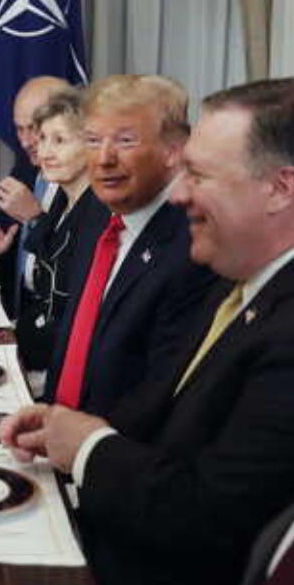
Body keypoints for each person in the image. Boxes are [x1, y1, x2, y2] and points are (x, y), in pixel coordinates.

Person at [1, 77, 294, 585]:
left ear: (281, 188)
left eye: (199, 176)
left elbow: (212, 517)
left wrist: (90, 447)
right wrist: (59, 429)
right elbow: (163, 410)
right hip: (118, 548)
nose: (179, 195)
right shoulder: (241, 284)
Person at [41, 74, 215, 415]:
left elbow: (162, 391)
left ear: (174, 151)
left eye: (125, 141)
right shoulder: (96, 208)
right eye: (92, 140)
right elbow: (74, 335)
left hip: (117, 451)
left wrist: (85, 447)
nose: (104, 159)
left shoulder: (196, 244)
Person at [0, 89, 99, 381]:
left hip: (54, 370)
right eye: (43, 139)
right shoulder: (61, 200)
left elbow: (66, 307)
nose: (43, 152)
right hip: (30, 347)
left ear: (91, 144)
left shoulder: (98, 212)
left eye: (59, 141)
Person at [0, 76, 75, 316]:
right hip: (17, 321)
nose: (26, 142)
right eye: (20, 129)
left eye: (34, 129)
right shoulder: (28, 168)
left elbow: (69, 274)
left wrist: (35, 218)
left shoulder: (87, 188)